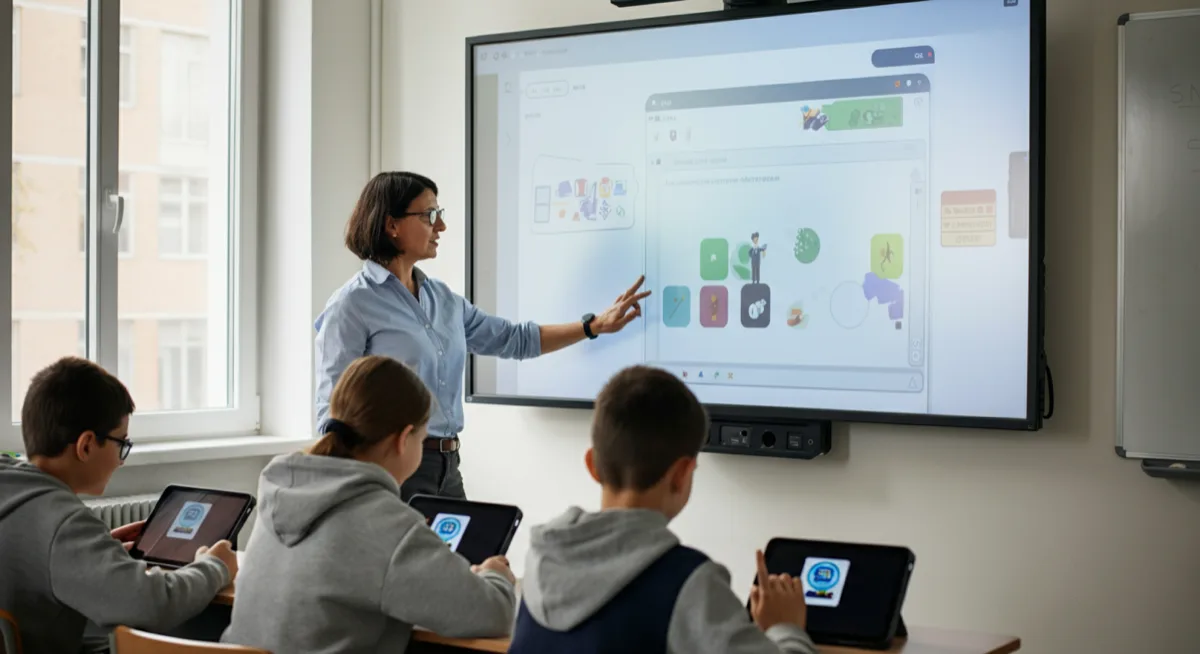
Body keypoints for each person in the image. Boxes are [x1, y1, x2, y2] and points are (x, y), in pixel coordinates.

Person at [316, 171, 651, 501]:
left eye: (440, 215)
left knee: (464, 556)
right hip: (390, 469)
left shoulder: (442, 299)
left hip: (447, 465)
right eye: (429, 215)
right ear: (392, 225)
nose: (441, 226)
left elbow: (514, 339)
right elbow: (330, 411)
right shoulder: (352, 304)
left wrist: (592, 327)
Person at [509, 366, 815, 654]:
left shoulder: (539, 561)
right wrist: (784, 627)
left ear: (592, 465)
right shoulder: (689, 582)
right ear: (682, 474)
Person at [223, 355, 517, 654]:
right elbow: (493, 614)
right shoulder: (388, 525)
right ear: (404, 439)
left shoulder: (282, 491)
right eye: (423, 438)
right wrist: (495, 573)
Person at [0, 357, 238, 654]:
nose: (121, 460)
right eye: (121, 443)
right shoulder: (63, 525)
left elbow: (35, 560)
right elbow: (152, 604)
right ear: (86, 445)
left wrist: (98, 549)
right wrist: (215, 566)